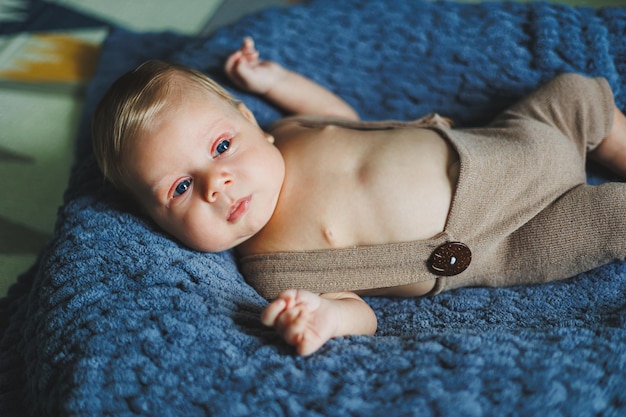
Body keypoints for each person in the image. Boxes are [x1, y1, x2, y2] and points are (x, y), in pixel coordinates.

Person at [92, 37, 626, 356]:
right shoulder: (270, 268)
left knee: (575, 95)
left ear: (251, 120)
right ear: (153, 219)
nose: (217, 183)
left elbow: (344, 118)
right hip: (505, 237)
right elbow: (361, 311)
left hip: (503, 142)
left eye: (223, 145)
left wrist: (275, 79)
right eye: (181, 188)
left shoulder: (294, 130)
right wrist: (326, 319)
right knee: (612, 218)